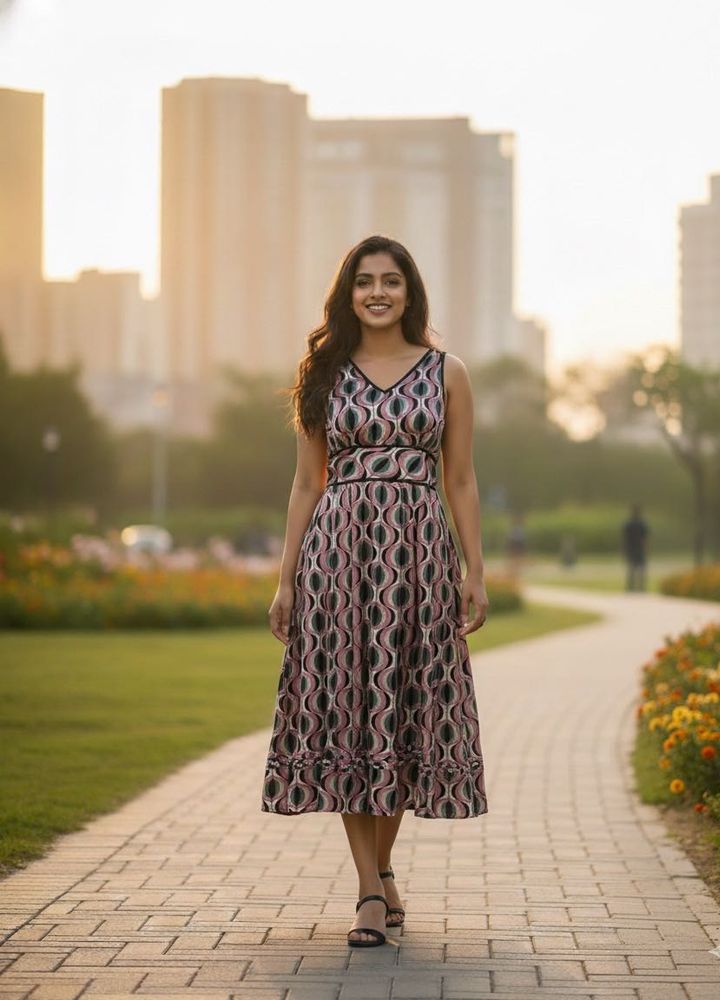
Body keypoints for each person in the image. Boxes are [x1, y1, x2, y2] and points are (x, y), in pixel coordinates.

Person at [261, 234, 489, 948]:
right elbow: (307, 481)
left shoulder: (446, 372)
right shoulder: (322, 371)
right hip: (337, 557)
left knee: (401, 713)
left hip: (419, 558)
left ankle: (381, 875)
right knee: (349, 714)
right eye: (365, 281)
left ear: (410, 291)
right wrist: (286, 576)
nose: (378, 292)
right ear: (348, 292)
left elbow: (460, 478)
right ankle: (369, 889)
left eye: (391, 280)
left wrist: (472, 570)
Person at [622, 503, 649, 591]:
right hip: (638, 548)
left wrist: (624, 549)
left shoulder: (629, 524)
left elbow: (624, 538)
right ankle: (641, 587)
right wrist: (646, 548)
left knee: (632, 569)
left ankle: (631, 587)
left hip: (631, 548)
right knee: (640, 569)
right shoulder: (642, 524)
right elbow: (645, 538)